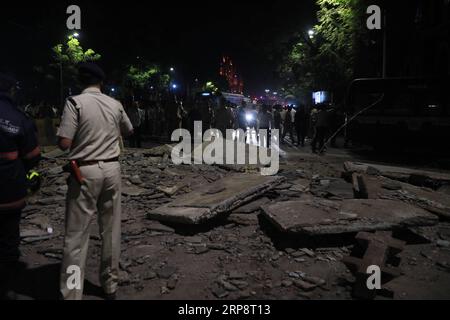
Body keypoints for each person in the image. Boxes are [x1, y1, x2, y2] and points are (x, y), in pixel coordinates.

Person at [56, 62, 134, 300]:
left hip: (85, 172)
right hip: (112, 169)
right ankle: (110, 285)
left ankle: (71, 293)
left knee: (76, 235)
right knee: (111, 230)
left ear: (81, 81)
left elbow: (64, 143)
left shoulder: (75, 102)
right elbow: (129, 130)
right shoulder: (115, 104)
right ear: (101, 82)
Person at [0, 72, 41, 299]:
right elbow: (33, 155)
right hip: (8, 191)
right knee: (8, 240)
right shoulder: (17, 118)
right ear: (12, 91)